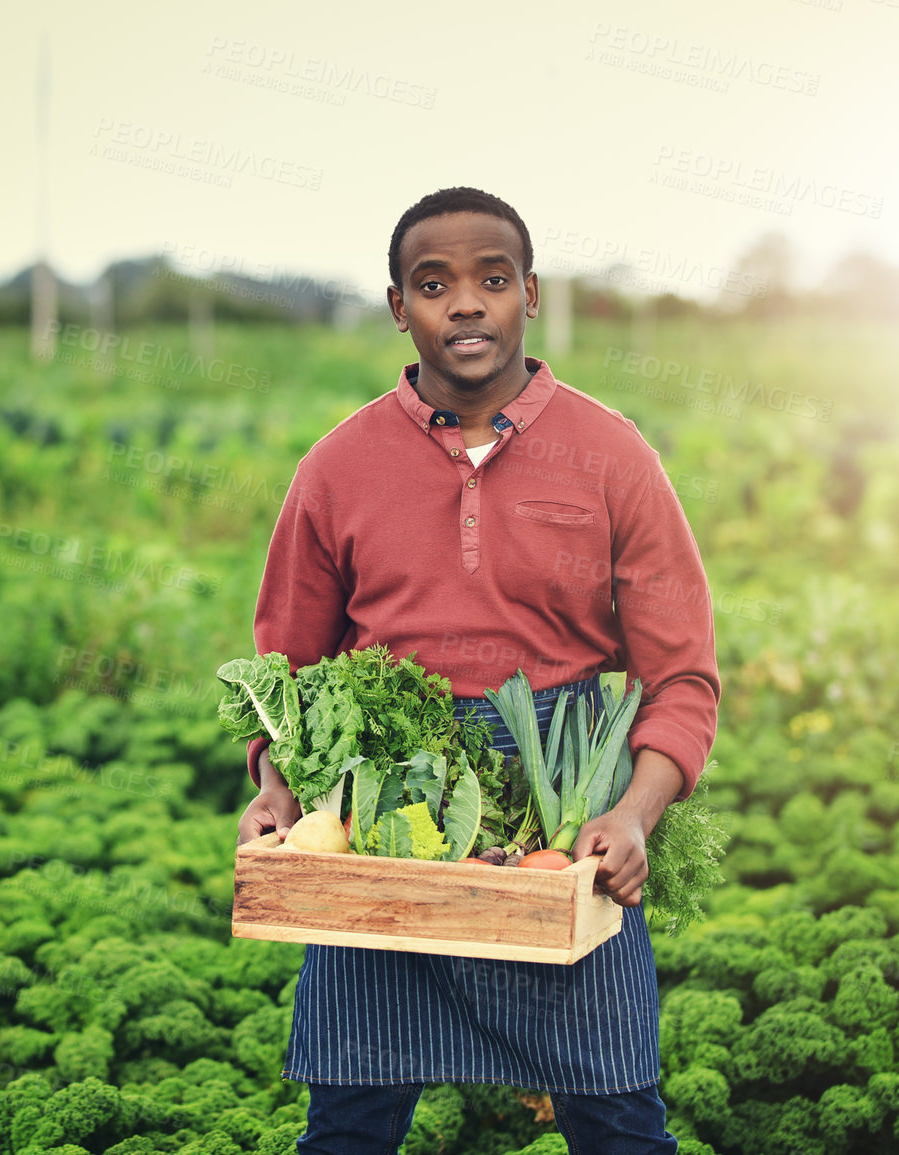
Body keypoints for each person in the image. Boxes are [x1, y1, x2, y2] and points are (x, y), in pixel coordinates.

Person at [234, 187, 720, 1154]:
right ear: (396, 306)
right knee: (348, 1118)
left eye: (490, 280)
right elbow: (283, 671)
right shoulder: (337, 466)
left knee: (616, 1112)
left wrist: (632, 813)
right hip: (379, 822)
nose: (464, 304)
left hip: (557, 816)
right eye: (433, 284)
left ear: (528, 293)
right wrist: (277, 786)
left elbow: (682, 679)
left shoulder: (611, 455)